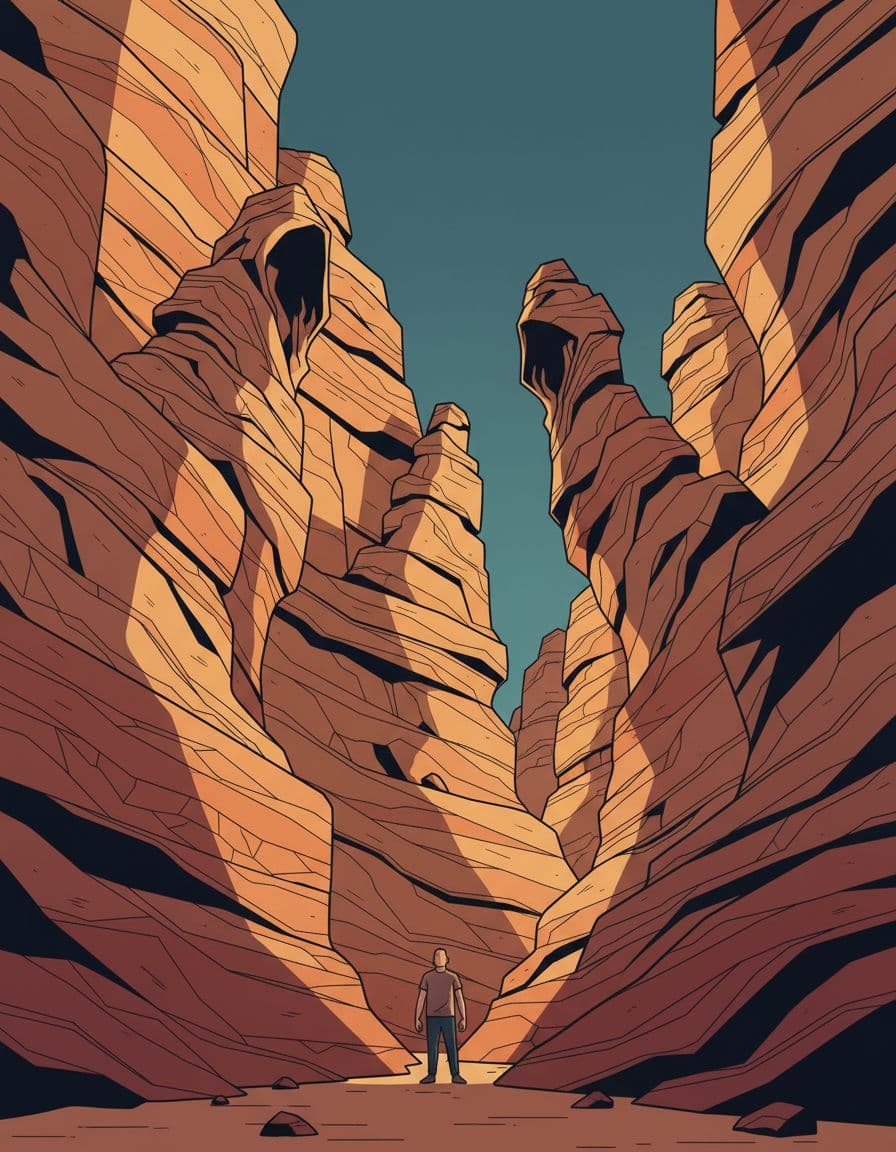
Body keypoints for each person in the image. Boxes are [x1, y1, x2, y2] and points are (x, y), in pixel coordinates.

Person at [414, 947, 467, 1084]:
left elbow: (459, 998)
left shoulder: (453, 977)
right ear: (433, 960)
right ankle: (431, 1075)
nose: (439, 958)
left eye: (441, 956)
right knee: (432, 1047)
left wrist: (463, 1017)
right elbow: (421, 998)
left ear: (447, 959)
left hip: (449, 1017)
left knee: (451, 1045)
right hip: (431, 1017)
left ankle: (455, 1075)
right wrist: (417, 1017)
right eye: (436, 956)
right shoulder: (427, 977)